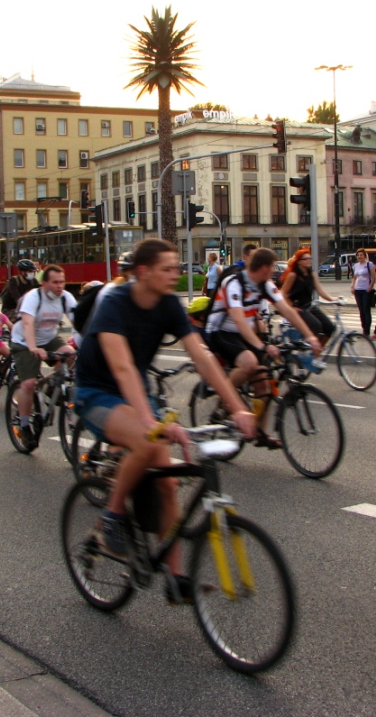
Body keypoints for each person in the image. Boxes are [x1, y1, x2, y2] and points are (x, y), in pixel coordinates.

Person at [74, 239, 256, 598]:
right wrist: (151, 422)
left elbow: (201, 355)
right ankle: (112, 515)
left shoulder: (169, 304)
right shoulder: (114, 302)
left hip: (135, 393)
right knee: (147, 439)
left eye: (177, 268)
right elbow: (123, 368)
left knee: (168, 484)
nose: (176, 274)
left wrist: (236, 406)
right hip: (97, 391)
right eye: (168, 269)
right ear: (143, 272)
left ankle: (174, 577)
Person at [205, 247, 321, 448]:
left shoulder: (265, 284)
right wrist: (262, 346)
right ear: (265, 267)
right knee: (249, 362)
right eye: (273, 267)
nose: (275, 271)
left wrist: (311, 337)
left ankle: (259, 432)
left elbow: (288, 311)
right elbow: (238, 320)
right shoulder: (234, 283)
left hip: (244, 333)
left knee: (265, 386)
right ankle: (224, 401)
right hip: (220, 331)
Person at [8, 265, 77, 451]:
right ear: (44, 283)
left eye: (62, 282)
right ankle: (23, 426)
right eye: (55, 282)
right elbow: (28, 323)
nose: (59, 286)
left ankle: (51, 386)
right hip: (24, 341)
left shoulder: (66, 297)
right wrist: (33, 347)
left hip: (48, 338)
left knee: (70, 354)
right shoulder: (34, 297)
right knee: (29, 384)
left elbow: (79, 322)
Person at [278, 248, 336, 344]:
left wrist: (333, 299)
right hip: (298, 307)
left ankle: (317, 353)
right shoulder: (293, 275)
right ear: (299, 262)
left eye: (310, 258)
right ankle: (307, 349)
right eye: (305, 259)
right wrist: (292, 307)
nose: (309, 261)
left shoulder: (312, 274)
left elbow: (320, 290)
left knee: (329, 327)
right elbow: (283, 294)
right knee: (316, 325)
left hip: (309, 305)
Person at [351, 249, 376, 335]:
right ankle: (363, 327)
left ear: (365, 256)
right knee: (361, 310)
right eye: (358, 255)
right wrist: (352, 286)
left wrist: (370, 286)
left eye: (361, 255)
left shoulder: (369, 264)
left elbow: (373, 277)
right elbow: (354, 277)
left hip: (366, 290)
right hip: (358, 290)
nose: (359, 257)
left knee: (366, 309)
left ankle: (367, 330)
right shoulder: (356, 266)